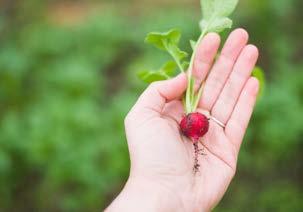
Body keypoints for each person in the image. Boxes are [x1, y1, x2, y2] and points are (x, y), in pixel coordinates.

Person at [106, 28, 259, 212]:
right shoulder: (193, 122)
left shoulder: (193, 123)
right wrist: (160, 187)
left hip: (193, 122)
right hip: (193, 122)